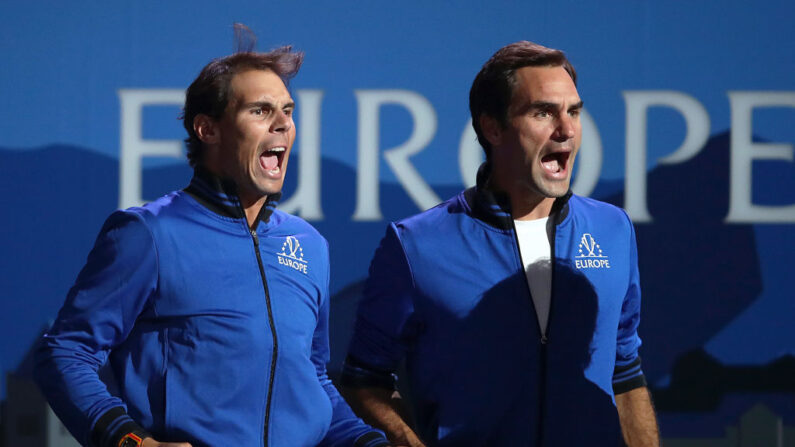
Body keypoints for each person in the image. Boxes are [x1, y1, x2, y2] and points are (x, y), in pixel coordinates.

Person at [34, 35, 390, 447]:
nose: (282, 124)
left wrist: (366, 441)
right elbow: (65, 351)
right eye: (261, 110)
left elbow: (311, 380)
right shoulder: (148, 234)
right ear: (208, 129)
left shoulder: (309, 245)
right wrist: (130, 441)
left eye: (287, 111)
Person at [341, 41, 660, 446]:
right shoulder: (416, 244)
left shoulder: (613, 229)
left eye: (574, 112)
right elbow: (363, 380)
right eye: (543, 112)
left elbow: (624, 371)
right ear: (492, 127)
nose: (566, 130)